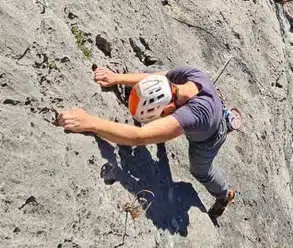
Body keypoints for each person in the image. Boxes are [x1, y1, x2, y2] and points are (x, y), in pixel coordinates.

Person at [57, 66, 235, 218]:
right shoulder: (190, 74)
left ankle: (224, 195)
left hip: (209, 138)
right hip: (205, 110)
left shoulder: (193, 116)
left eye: (162, 114)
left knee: (201, 171)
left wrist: (89, 122)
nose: (161, 117)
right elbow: (158, 77)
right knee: (151, 71)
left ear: (171, 109)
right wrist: (116, 78)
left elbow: (139, 137)